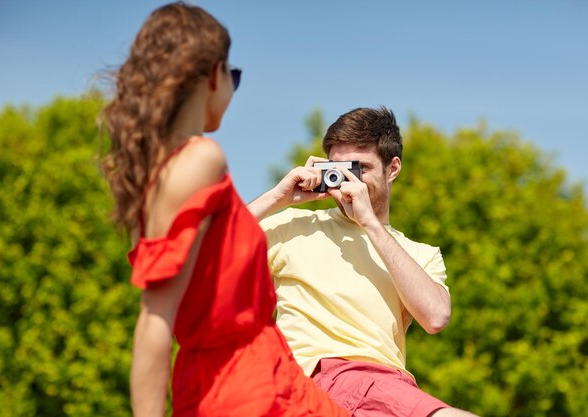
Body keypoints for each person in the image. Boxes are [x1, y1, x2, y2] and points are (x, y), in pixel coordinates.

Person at [101, 3, 348, 416]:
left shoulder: (157, 175)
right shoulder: (202, 158)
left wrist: (278, 198)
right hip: (249, 385)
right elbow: (155, 318)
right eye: (234, 77)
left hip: (240, 378)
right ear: (214, 75)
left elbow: (210, 259)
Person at [248, 107, 479, 417]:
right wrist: (277, 197)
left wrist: (370, 223)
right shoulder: (291, 226)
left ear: (392, 168)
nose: (347, 180)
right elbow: (198, 250)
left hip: (386, 386)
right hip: (314, 378)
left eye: (360, 169)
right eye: (340, 168)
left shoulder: (419, 253)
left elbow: (435, 317)